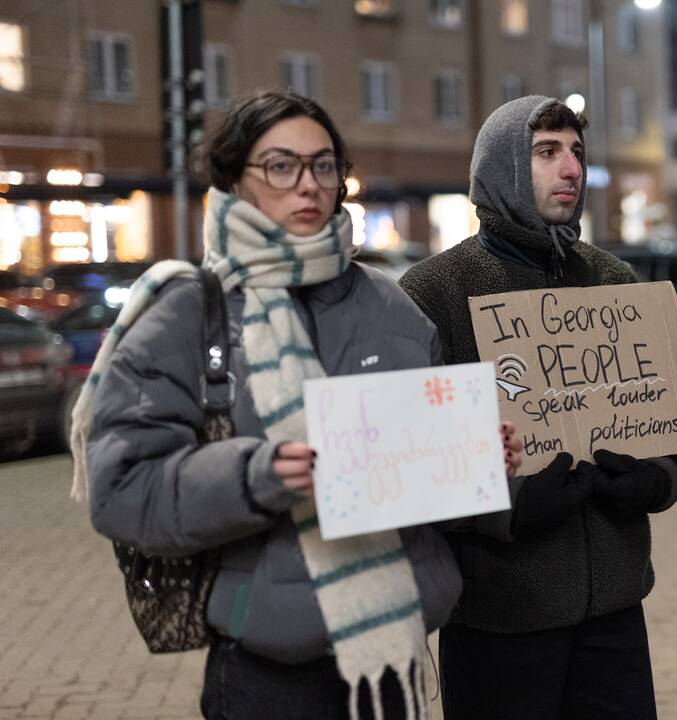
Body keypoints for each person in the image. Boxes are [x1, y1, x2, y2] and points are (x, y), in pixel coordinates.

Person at [71, 90, 520, 720]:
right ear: (236, 182)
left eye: (324, 165)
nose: (307, 185)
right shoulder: (188, 314)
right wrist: (254, 476)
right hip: (265, 675)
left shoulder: (391, 307)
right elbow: (122, 487)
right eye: (281, 166)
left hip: (395, 664)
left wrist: (479, 460)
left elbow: (423, 473)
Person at [399, 95, 677, 720]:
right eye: (546, 152)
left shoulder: (616, 283)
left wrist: (650, 479)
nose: (571, 171)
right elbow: (413, 466)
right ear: (502, 167)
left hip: (612, 609)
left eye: (577, 153)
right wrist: (509, 505)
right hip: (499, 617)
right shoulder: (433, 292)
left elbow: (672, 437)